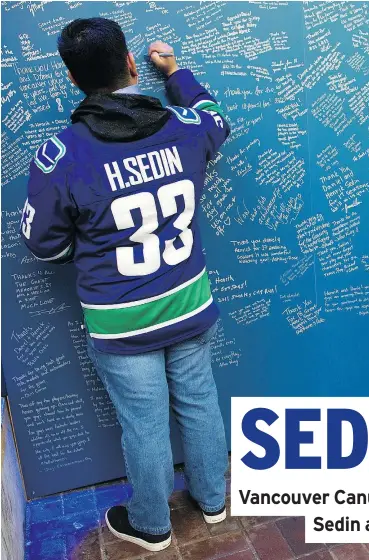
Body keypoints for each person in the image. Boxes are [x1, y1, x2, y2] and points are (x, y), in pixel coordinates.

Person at [20, 18, 230, 552]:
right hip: (189, 302)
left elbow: (42, 244)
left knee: (144, 423)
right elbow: (218, 119)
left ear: (72, 78)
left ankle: (153, 525)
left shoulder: (61, 155)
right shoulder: (185, 126)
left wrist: (92, 246)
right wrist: (177, 71)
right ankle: (214, 501)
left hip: (122, 319)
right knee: (200, 400)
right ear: (133, 64)